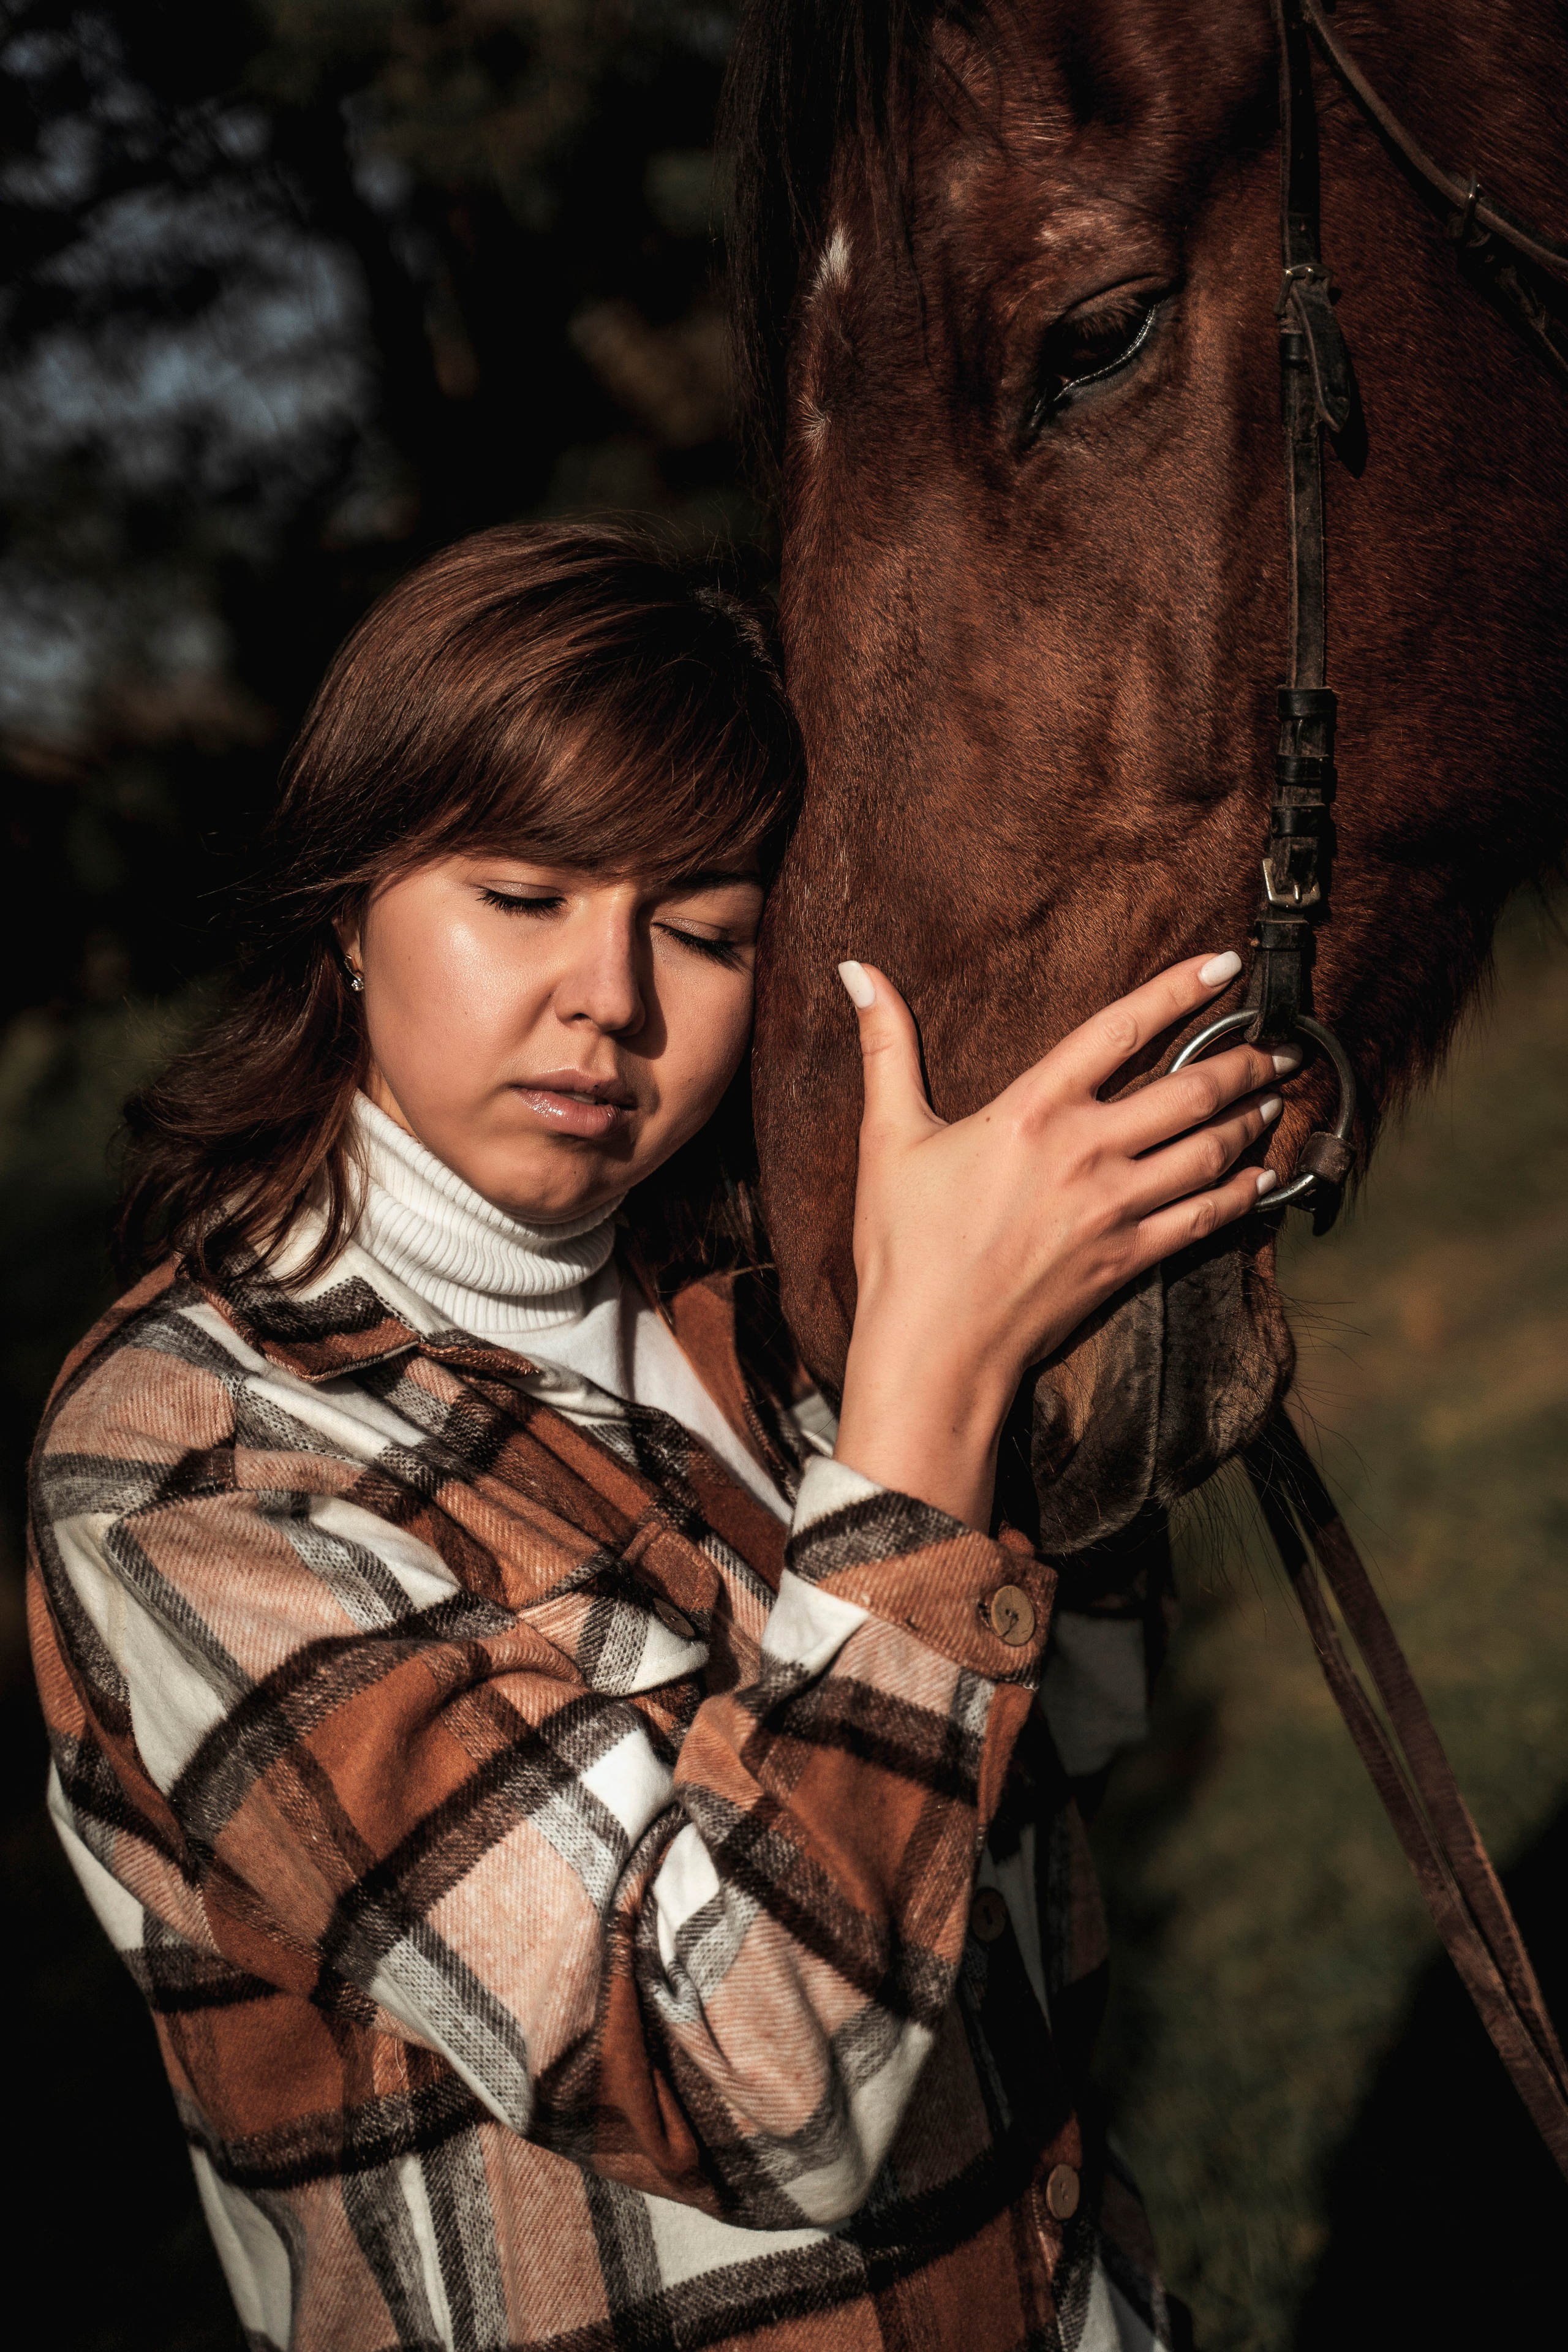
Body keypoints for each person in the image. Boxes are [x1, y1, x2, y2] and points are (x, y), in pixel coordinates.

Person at [28, 522, 1293, 2352]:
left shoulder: (761, 1301)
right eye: (521, 899)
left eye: (702, 932)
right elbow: (744, 2085)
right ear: (347, 909)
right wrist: (931, 1400)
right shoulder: (196, 1458)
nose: (611, 1000)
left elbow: (1073, 1742)